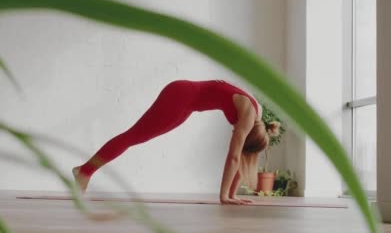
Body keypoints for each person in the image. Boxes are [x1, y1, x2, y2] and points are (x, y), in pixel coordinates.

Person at [72, 79, 280, 205]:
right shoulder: (248, 116)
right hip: (182, 95)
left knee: (135, 136)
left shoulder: (257, 116)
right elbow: (235, 156)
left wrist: (232, 195)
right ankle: (84, 171)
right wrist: (224, 196)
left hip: (187, 101)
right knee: (133, 136)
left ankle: (85, 170)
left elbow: (242, 155)